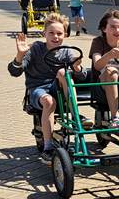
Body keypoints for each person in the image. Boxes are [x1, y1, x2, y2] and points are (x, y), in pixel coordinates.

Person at [8, 14, 85, 160]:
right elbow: (15, 72)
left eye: (59, 33)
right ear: (44, 34)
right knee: (49, 102)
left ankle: (76, 117)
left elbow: (82, 77)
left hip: (59, 89)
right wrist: (20, 55)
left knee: (63, 73)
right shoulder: (36, 48)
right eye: (51, 33)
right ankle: (48, 146)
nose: (55, 37)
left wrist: (77, 67)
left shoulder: (67, 51)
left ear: (65, 35)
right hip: (38, 90)